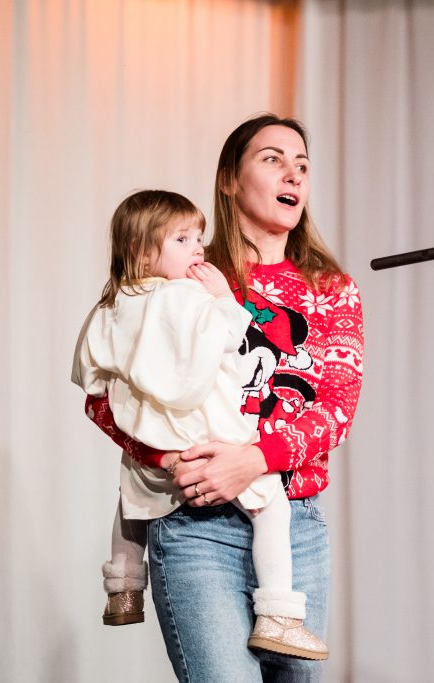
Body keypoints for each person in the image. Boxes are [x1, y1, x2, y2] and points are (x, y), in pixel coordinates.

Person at [82, 115, 363, 682]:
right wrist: (167, 459)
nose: (294, 174)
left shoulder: (330, 288)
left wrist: (254, 460)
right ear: (230, 179)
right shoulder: (180, 270)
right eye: (273, 159)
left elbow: (336, 408)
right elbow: (103, 395)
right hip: (194, 525)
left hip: (294, 526)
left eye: (302, 164)